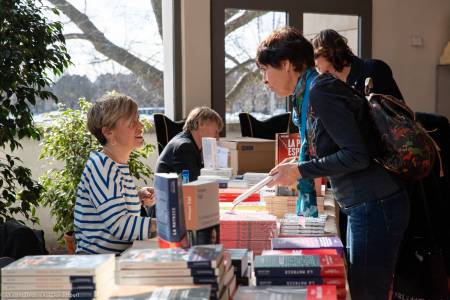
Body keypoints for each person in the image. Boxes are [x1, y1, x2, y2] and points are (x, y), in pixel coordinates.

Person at [257, 27, 410, 300]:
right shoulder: (313, 90)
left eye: (265, 70)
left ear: (287, 64)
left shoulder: (320, 92)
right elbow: (337, 145)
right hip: (367, 202)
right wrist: (299, 163)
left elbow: (356, 155)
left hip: (376, 203)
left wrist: (301, 170)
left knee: (366, 293)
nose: (263, 81)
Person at [311, 28, 406, 261]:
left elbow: (393, 116)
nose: (322, 74)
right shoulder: (332, 83)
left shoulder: (372, 70)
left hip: (385, 169)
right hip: (357, 181)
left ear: (333, 54)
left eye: (324, 68)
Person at [74, 93, 156, 254]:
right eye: (132, 122)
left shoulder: (114, 164)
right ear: (108, 132)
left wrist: (136, 197)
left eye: (138, 119)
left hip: (116, 259)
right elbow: (119, 225)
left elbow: (113, 208)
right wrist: (167, 224)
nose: (140, 126)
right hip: (98, 266)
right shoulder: (102, 167)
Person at [312, 29, 403, 99]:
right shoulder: (329, 87)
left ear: (328, 52)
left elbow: (400, 113)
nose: (316, 67)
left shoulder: (375, 69)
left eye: (315, 57)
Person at [155, 107, 223, 182]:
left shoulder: (192, 144)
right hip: (172, 192)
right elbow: (188, 182)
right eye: (216, 132)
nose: (217, 137)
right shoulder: (184, 146)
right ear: (200, 124)